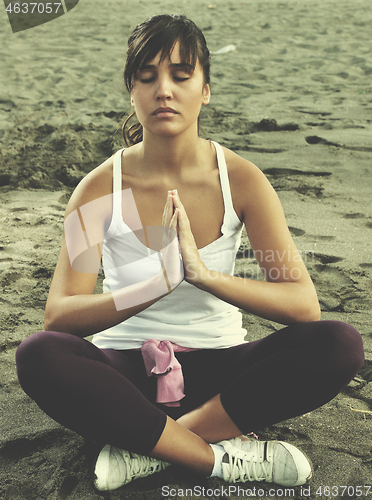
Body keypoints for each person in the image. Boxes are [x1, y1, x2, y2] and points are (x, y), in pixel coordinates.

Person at [16, 14, 364, 492]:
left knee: (340, 344)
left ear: (204, 89)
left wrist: (204, 275)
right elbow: (59, 316)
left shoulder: (242, 180)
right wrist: (153, 286)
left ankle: (150, 446)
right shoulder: (96, 191)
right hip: (125, 377)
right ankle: (215, 457)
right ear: (131, 90)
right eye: (148, 76)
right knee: (40, 354)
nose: (164, 90)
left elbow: (303, 304)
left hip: (225, 381)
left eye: (181, 76)